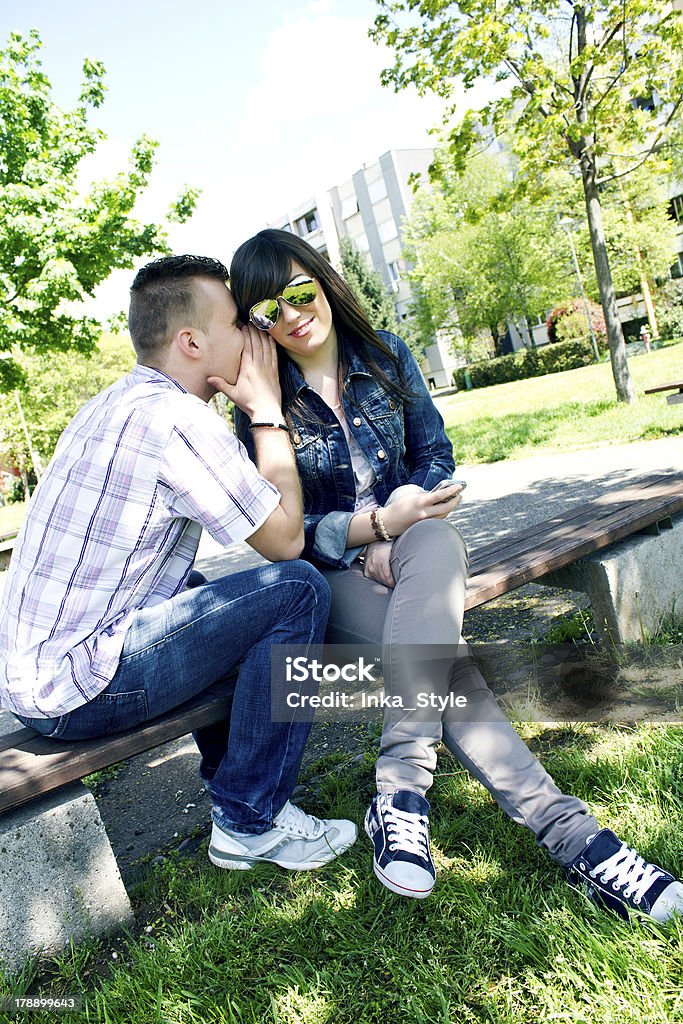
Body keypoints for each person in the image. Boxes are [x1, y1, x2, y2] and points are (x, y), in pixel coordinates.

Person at [229, 228, 683, 920]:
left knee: (436, 545)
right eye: (268, 309)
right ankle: (580, 844)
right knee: (450, 669)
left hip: (417, 545)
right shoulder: (264, 409)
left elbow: (434, 457)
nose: (291, 314)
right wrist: (370, 532)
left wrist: (407, 516)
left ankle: (400, 791)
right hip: (337, 573)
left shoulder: (385, 357)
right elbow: (285, 538)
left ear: (323, 282)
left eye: (299, 291)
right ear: (254, 325)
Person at [0, 254, 357, 873]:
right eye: (235, 323)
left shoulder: (117, 402)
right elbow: (284, 541)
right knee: (295, 591)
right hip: (77, 689)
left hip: (37, 676)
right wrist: (267, 410)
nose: (254, 334)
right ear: (192, 342)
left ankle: (233, 792)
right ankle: (251, 818)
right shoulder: (177, 421)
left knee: (208, 592)